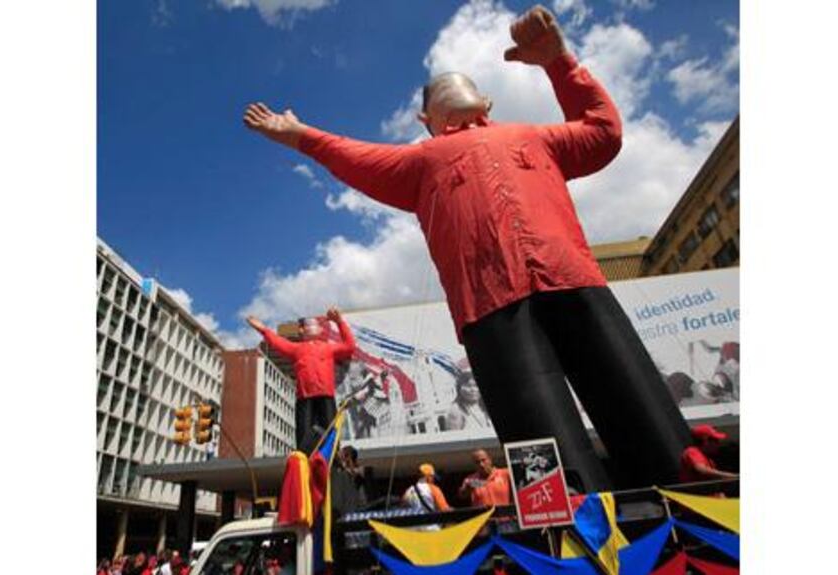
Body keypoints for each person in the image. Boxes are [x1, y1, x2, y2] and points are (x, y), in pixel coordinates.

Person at [242, 4, 690, 490]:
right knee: (544, 447)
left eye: (461, 82)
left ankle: (690, 496)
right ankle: (567, 526)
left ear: (489, 102)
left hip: (575, 282)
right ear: (423, 118)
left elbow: (603, 132)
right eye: (437, 91)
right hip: (493, 309)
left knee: (640, 409)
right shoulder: (419, 162)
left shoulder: (535, 136)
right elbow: (353, 156)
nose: (450, 85)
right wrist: (300, 135)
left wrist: (559, 62)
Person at [247, 306, 357, 451]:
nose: (314, 325)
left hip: (326, 397)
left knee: (330, 434)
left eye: (315, 324)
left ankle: (333, 459)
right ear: (302, 330)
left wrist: (339, 322)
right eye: (309, 324)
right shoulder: (296, 348)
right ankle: (304, 459)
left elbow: (350, 346)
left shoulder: (328, 348)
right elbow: (277, 342)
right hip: (304, 398)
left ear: (321, 330)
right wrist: (263, 329)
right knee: (303, 436)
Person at [444, 358, 491, 431]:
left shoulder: (483, 407)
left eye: (476, 386)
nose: (473, 390)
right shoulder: (455, 411)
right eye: (468, 385)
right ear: (459, 388)